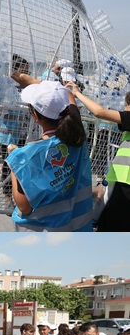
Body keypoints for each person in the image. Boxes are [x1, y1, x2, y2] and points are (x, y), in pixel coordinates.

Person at [6, 80, 93, 231]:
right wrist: (67, 92)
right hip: (80, 227)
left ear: (35, 116)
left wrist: (14, 163)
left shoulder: (25, 156)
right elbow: (74, 113)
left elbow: (23, 206)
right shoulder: (78, 138)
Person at [67, 86, 130, 231]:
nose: (126, 108)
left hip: (126, 185)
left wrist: (76, 94)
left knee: (113, 224)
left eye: (128, 104)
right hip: (120, 180)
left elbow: (99, 112)